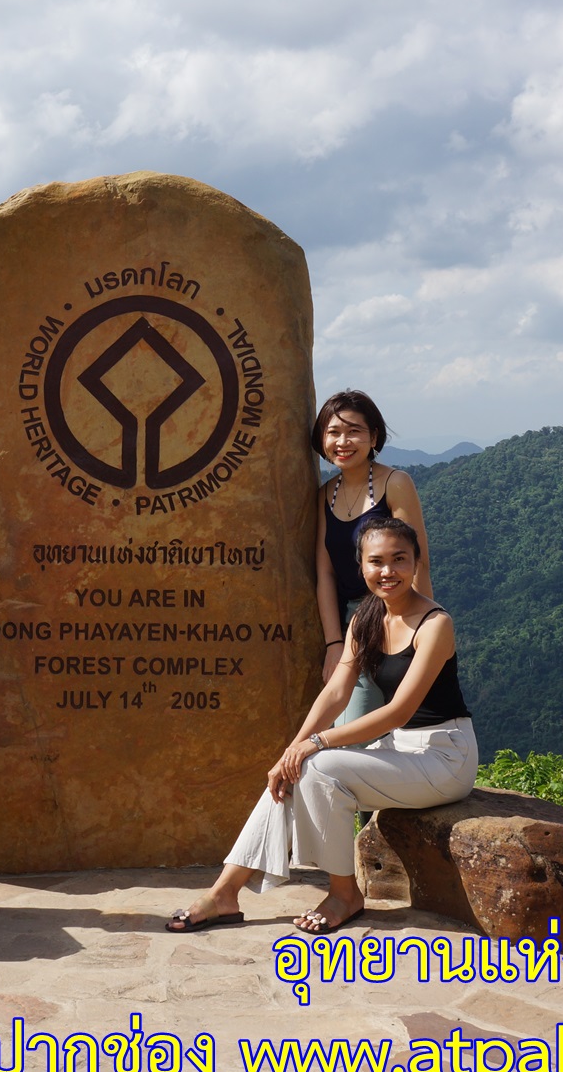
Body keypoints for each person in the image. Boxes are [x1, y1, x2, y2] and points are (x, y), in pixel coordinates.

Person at [166, 518, 475, 935]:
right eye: (376, 562)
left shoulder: (435, 624)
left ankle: (344, 894)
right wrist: (290, 751)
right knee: (295, 769)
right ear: (361, 567)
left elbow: (400, 711)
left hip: (444, 757)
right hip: (400, 751)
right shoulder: (366, 619)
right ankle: (224, 892)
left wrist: (316, 742)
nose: (388, 572)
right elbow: (335, 694)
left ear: (417, 562)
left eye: (399, 560)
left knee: (319, 765)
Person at [313, 390, 431, 727]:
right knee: (353, 728)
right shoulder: (325, 493)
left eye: (354, 431)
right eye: (333, 432)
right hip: (354, 624)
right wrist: (334, 643)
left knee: (368, 730)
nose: (343, 441)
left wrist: (421, 635)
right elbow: (325, 573)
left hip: (394, 614)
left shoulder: (395, 483)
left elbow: (417, 561)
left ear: (373, 437)